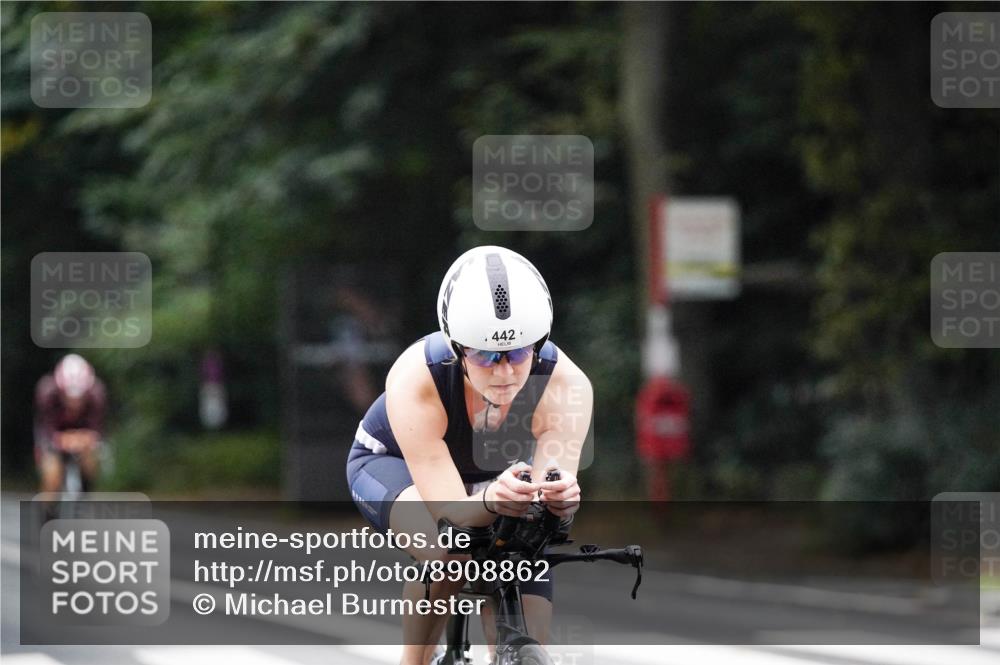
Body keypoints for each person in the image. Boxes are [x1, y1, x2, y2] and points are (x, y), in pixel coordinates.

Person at [346, 246, 591, 665]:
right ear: (457, 347)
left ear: (540, 343)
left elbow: (549, 501)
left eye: (518, 353)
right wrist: (492, 499)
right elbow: (450, 511)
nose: (504, 372)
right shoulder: (417, 376)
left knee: (522, 562)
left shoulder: (566, 385)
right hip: (392, 463)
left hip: (496, 478)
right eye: (485, 355)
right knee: (452, 554)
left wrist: (559, 499)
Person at [34, 354, 107, 493]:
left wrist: (86, 439)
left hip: (83, 433)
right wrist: (61, 440)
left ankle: (86, 490)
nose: (74, 403)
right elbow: (45, 430)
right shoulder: (47, 393)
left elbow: (97, 429)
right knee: (52, 476)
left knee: (91, 461)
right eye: (68, 397)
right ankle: (46, 504)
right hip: (53, 434)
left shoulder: (97, 395)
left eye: (79, 398)